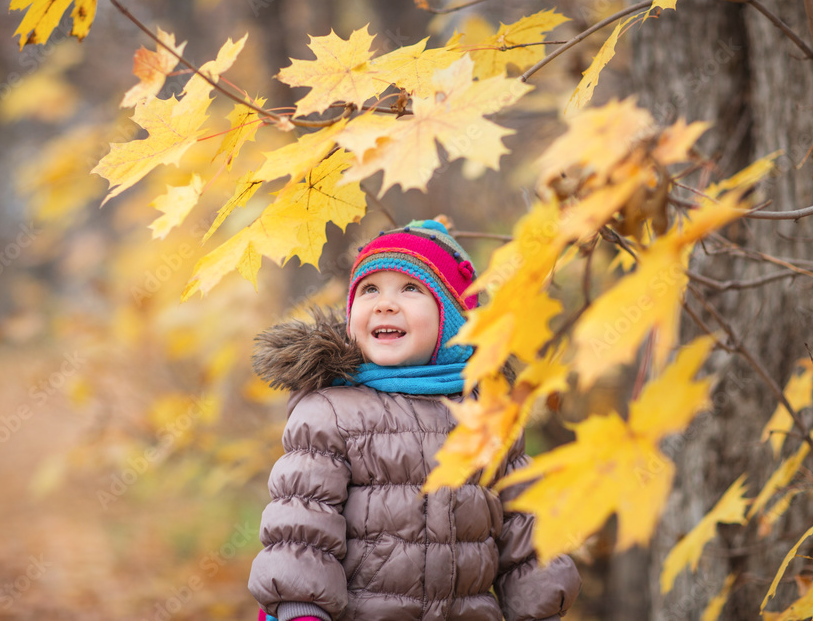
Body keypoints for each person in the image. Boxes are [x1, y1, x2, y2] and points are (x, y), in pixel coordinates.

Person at [248, 219, 580, 621]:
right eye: (370, 290)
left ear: (452, 320)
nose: (385, 304)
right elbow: (302, 525)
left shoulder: (490, 411)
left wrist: (543, 608)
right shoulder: (331, 411)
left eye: (411, 288)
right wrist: (301, 612)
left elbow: (528, 537)